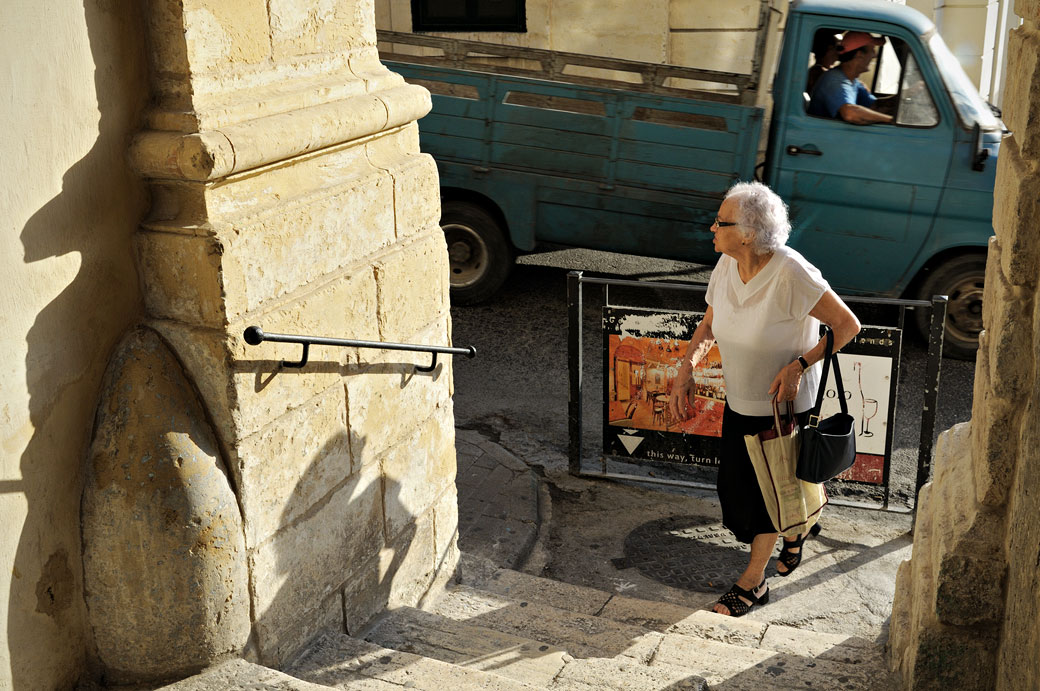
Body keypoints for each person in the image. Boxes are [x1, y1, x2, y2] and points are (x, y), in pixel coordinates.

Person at [667, 182, 860, 617]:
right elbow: (709, 323)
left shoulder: (792, 272)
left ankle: (753, 584)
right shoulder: (725, 264)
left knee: (767, 496)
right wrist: (687, 368)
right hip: (741, 402)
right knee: (738, 492)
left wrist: (799, 366)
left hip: (784, 406)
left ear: (750, 232)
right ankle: (798, 527)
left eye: (722, 221)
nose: (712, 226)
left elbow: (848, 326)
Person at [808, 31, 893, 125]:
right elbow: (850, 113)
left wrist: (904, 96)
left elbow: (875, 105)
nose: (875, 55)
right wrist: (891, 120)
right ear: (859, 55)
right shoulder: (834, 80)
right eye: (872, 50)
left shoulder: (853, 81)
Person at [806, 30, 841, 95]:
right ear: (830, 48)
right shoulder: (819, 73)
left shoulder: (817, 71)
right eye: (838, 48)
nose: (838, 53)